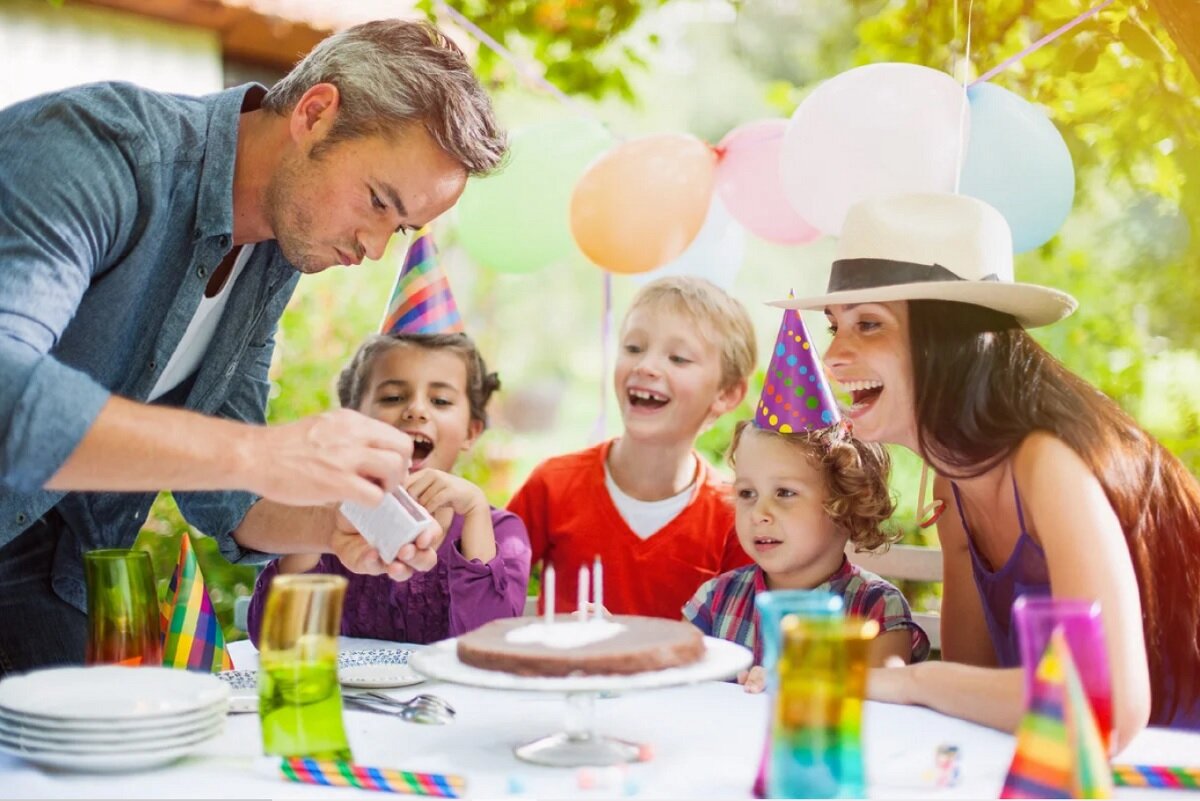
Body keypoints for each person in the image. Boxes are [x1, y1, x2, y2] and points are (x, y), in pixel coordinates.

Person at [0, 19, 507, 674]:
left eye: (400, 225)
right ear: (315, 114)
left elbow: (228, 493)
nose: (375, 248)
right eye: (378, 201)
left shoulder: (273, 255)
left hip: (45, 556)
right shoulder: (95, 152)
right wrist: (266, 453)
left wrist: (333, 525)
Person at [779, 192, 1200, 745]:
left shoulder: (1049, 465)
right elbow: (977, 690)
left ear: (953, 340)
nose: (833, 356)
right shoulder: (956, 481)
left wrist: (907, 682)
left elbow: (1104, 707)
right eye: (836, 326)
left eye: (870, 325)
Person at [684, 312, 930, 693]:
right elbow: (675, 674)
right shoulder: (716, 600)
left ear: (845, 502)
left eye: (784, 493)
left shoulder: (876, 609)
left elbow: (885, 689)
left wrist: (798, 683)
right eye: (747, 493)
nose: (759, 514)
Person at [246, 332, 531, 643]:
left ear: (471, 432)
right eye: (393, 397)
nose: (416, 410)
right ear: (354, 419)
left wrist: (475, 508)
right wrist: (322, 507)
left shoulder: (503, 532)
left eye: (441, 401)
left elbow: (487, 645)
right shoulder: (331, 521)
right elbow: (277, 638)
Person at [508, 277, 756, 620]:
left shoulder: (735, 519)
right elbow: (487, 590)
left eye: (679, 358)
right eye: (634, 348)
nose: (645, 366)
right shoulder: (552, 484)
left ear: (726, 394)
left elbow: (736, 645)